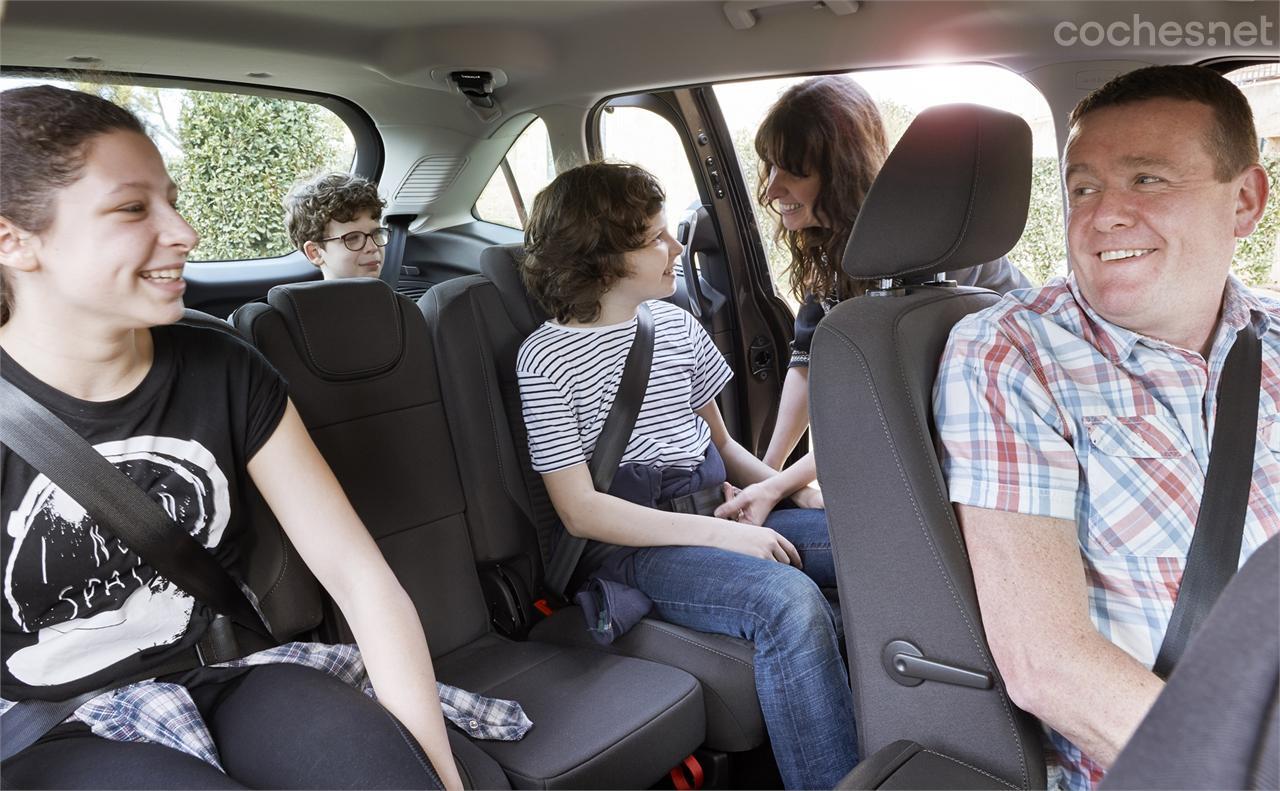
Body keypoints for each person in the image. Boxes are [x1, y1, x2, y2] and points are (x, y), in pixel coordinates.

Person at [0, 86, 482, 789]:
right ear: (12, 238)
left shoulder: (221, 366)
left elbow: (361, 579)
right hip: (50, 721)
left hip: (227, 670)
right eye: (133, 208)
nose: (185, 231)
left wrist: (445, 780)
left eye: (172, 199)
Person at [932, 65, 1278, 791]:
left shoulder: (1272, 338)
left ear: (1245, 200)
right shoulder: (1012, 354)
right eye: (1083, 187)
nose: (1103, 215)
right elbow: (1047, 660)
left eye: (1147, 180)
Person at [516, 162, 855, 789]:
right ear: (599, 258)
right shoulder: (545, 359)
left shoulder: (673, 325)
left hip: (715, 512)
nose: (677, 248)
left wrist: (787, 492)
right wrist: (729, 538)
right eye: (654, 239)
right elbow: (579, 512)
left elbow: (722, 445)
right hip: (632, 546)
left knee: (871, 538)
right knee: (786, 603)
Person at [718, 75, 1030, 524]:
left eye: (794, 172)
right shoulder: (833, 244)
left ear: (842, 172)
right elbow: (806, 367)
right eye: (768, 166)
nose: (770, 189)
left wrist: (780, 486)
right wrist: (767, 474)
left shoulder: (921, 258)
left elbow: (884, 413)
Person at [284, 171, 388, 280]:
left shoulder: (392, 297)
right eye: (352, 238)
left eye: (376, 234)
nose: (373, 247)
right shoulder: (306, 298)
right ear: (315, 253)